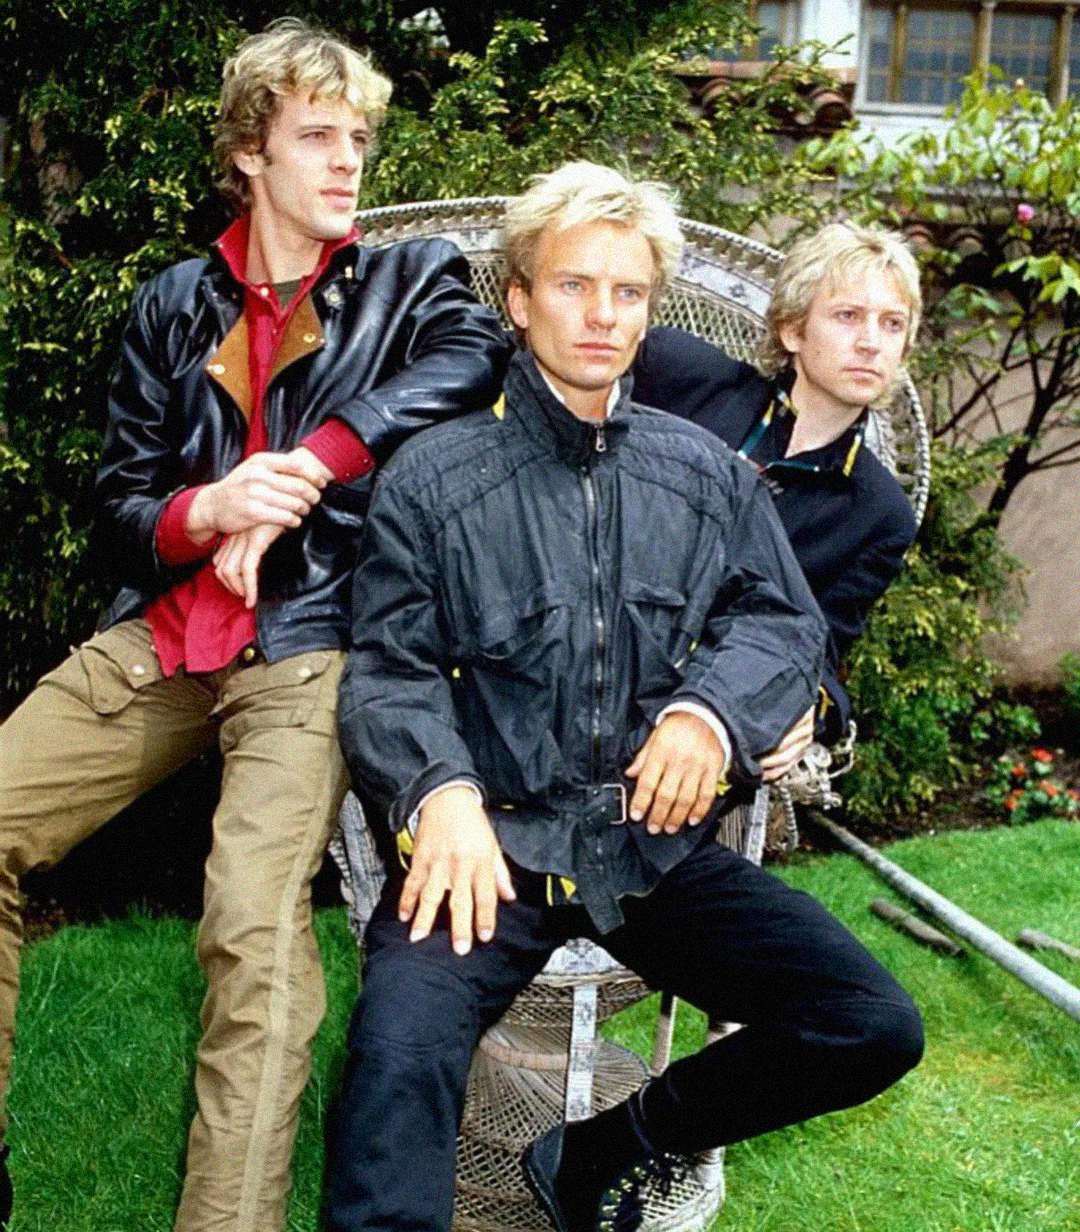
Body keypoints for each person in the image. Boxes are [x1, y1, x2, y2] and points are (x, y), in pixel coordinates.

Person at [326, 162, 923, 1232]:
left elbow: (785, 625)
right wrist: (441, 789)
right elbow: (389, 665)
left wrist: (709, 714)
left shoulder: (706, 475)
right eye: (573, 285)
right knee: (397, 1055)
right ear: (519, 298)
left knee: (869, 1021)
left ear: (653, 308)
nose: (602, 313)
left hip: (650, 848)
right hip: (488, 850)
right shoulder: (433, 475)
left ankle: (604, 1146)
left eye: (628, 291)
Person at [0, 18, 507, 1232]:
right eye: (319, 137)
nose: (348, 163)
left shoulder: (409, 278)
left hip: (310, 639)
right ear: (250, 152)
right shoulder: (174, 304)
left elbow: (473, 349)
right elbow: (118, 501)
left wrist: (310, 463)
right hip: (162, 638)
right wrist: (204, 507)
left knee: (251, 927)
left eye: (360, 140)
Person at [634, 223, 922, 747]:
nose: (870, 342)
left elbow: (822, 649)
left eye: (892, 324)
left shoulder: (880, 514)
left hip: (695, 702)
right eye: (848, 316)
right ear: (793, 330)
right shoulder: (679, 375)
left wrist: (812, 708)